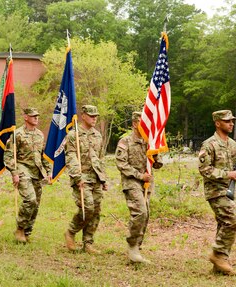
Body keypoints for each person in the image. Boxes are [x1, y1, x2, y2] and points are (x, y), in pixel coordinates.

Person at [198, 110, 236, 275]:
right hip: (215, 191)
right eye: (227, 121)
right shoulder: (209, 144)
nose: (231, 123)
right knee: (233, 221)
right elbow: (204, 169)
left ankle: (219, 266)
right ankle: (218, 254)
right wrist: (226, 174)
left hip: (228, 191)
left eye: (232, 121)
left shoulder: (233, 145)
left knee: (223, 224)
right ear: (218, 123)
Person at [115, 112, 163, 264]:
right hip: (132, 182)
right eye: (144, 123)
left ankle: (136, 247)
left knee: (146, 214)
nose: (147, 126)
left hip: (147, 183)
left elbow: (157, 164)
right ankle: (132, 245)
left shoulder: (150, 142)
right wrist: (139, 175)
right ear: (135, 124)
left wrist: (156, 157)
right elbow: (121, 164)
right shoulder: (125, 142)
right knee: (140, 212)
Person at [64, 105, 107, 254]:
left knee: (96, 211)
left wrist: (104, 178)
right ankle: (71, 231)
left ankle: (88, 243)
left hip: (95, 177)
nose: (94, 118)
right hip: (82, 177)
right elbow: (70, 157)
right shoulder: (73, 135)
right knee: (87, 208)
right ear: (83, 116)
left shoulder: (97, 135)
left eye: (96, 116)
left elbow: (100, 158)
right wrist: (77, 177)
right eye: (91, 115)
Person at [4, 108, 52, 243]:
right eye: (33, 116)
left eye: (37, 116)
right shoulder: (17, 133)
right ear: (25, 117)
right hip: (22, 169)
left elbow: (43, 155)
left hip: (37, 171)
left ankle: (27, 232)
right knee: (30, 200)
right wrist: (14, 172)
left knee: (36, 204)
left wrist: (48, 171)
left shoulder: (39, 135)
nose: (36, 118)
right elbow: (9, 155)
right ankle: (19, 228)